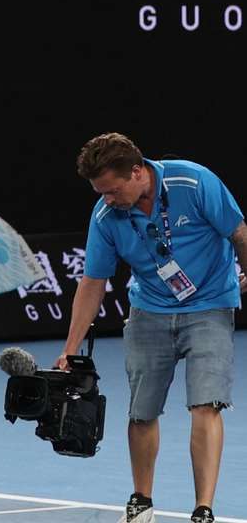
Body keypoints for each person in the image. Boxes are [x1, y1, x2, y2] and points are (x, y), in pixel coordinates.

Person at [55, 133, 247, 523]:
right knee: (141, 412)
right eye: (100, 192)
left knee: (205, 405)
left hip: (210, 304)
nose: (107, 199)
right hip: (149, 310)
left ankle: (203, 509)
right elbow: (93, 282)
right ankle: (141, 501)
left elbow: (239, 231)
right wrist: (70, 348)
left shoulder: (194, 183)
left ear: (138, 172)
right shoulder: (105, 216)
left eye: (111, 190)